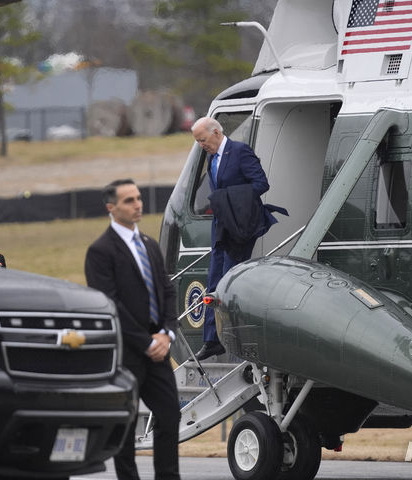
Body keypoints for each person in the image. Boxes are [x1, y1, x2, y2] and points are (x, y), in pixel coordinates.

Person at [85, 179, 181, 480]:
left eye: (138, 198)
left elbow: (166, 291)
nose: (137, 204)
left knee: (170, 416)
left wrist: (166, 334)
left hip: (159, 347)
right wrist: (145, 343)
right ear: (111, 208)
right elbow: (110, 303)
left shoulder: (150, 244)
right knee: (124, 426)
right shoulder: (100, 251)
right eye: (129, 200)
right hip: (128, 352)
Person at [191, 116, 280, 361]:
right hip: (221, 225)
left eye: (203, 140)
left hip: (240, 224)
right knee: (213, 279)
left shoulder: (240, 152)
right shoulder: (211, 157)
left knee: (230, 281)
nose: (201, 145)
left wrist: (230, 200)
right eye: (198, 141)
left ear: (217, 133)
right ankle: (211, 340)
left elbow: (261, 183)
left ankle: (234, 338)